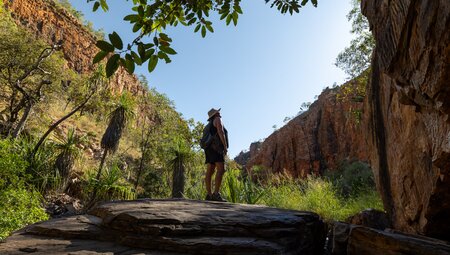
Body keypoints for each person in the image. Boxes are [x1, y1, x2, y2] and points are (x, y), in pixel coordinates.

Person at [204, 108, 228, 202]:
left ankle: (209, 195)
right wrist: (225, 146)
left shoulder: (209, 125)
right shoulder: (218, 119)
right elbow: (221, 131)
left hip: (209, 149)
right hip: (216, 148)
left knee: (210, 171)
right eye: (218, 111)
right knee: (221, 169)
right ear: (215, 114)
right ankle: (216, 194)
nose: (219, 112)